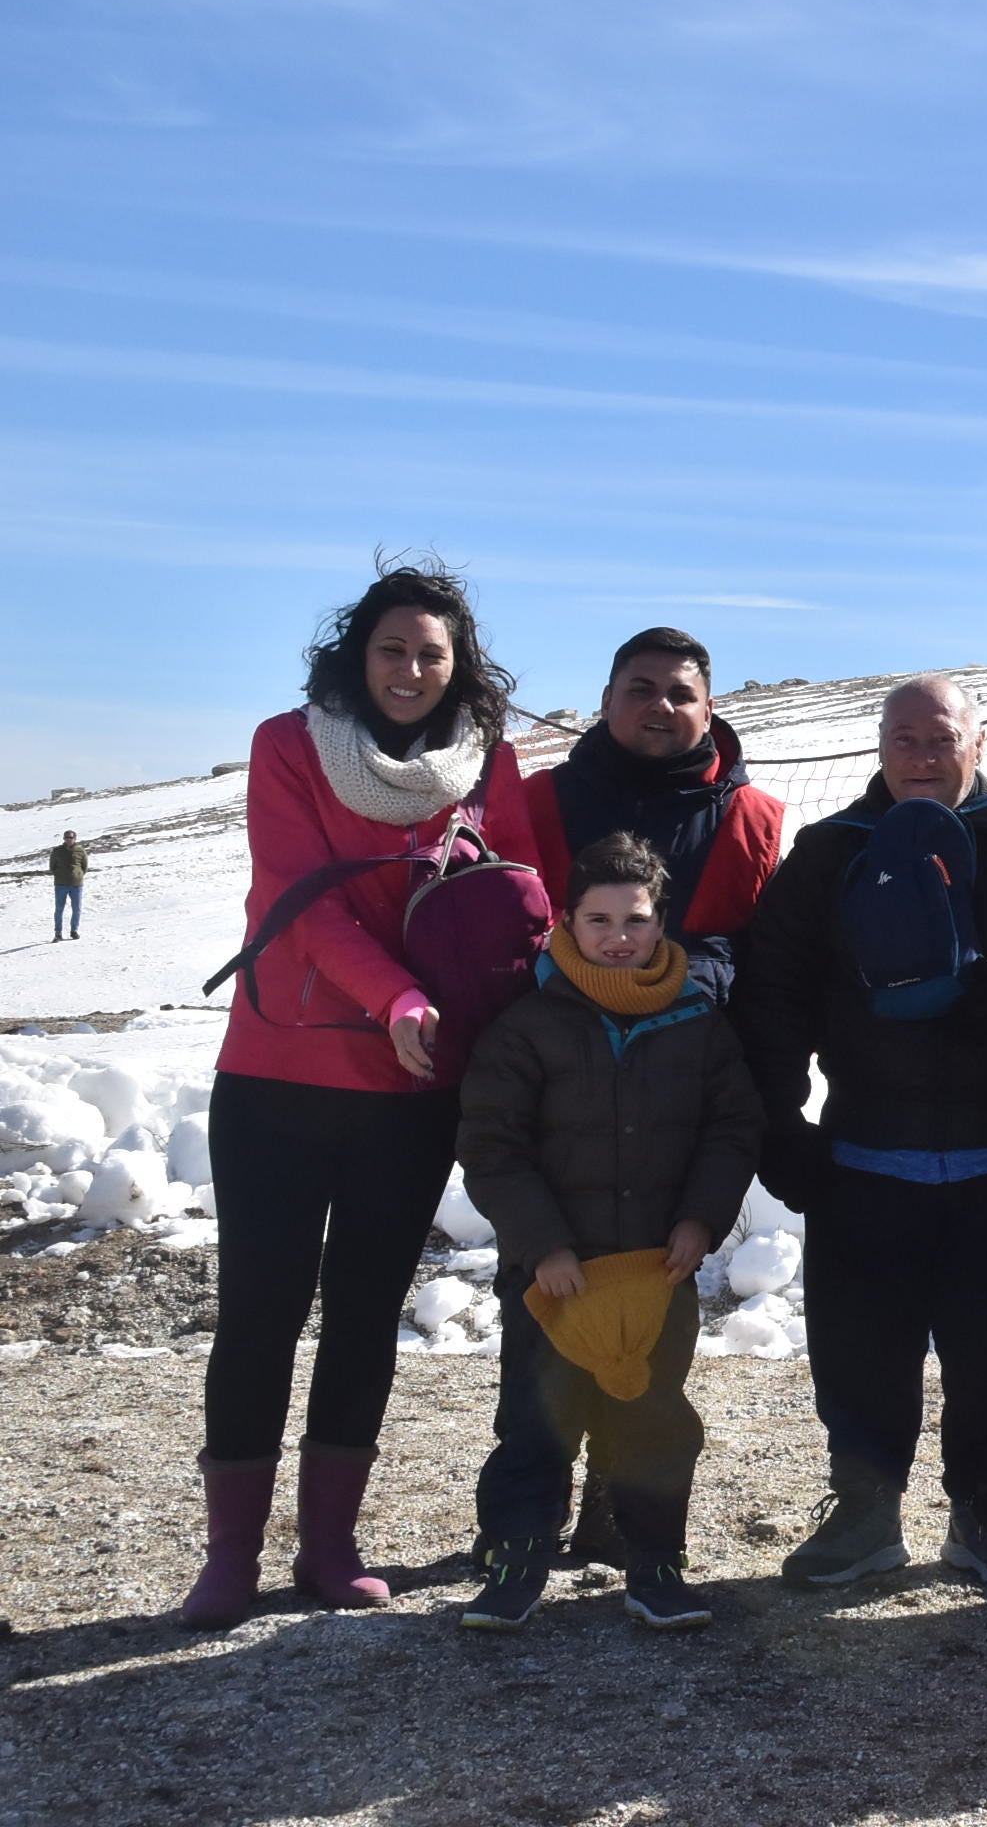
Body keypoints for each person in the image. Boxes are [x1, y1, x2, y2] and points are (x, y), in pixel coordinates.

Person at [181, 562, 541, 1630]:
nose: (412, 669)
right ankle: (230, 1553)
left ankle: (330, 1546)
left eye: (433, 653)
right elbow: (295, 905)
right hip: (278, 1070)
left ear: (458, 665)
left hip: (410, 1084)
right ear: (358, 652)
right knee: (259, 1309)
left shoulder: (489, 764)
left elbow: (518, 904)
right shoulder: (289, 745)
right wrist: (393, 994)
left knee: (364, 1315)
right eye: (394, 649)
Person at [732, 675, 987, 1596]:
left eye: (941, 738)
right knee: (860, 1354)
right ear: (879, 748)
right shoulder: (830, 851)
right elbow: (772, 995)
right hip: (865, 1159)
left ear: (978, 743)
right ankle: (864, 1513)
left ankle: (984, 1509)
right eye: (903, 739)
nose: (922, 756)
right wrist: (781, 1124)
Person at [455, 832, 762, 1633]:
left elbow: (731, 1129)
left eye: (635, 919)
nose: (618, 937)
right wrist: (541, 1244)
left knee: (652, 1419)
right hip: (552, 1275)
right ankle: (515, 1563)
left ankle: (654, 1566)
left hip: (659, 1270)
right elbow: (492, 1145)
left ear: (661, 922)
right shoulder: (529, 1023)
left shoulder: (699, 1020)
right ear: (568, 920)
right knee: (535, 1420)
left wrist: (700, 1220)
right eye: (598, 919)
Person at [522, 628, 784, 1005]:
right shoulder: (535, 802)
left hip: (707, 1055)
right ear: (607, 699)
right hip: (548, 1053)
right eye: (642, 690)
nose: (662, 705)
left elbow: (778, 974)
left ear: (708, 713)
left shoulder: (753, 822)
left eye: (681, 696)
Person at [48, 830, 86, 940]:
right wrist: (60, 875)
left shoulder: (80, 851)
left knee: (76, 908)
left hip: (76, 884)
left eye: (71, 837)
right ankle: (58, 933)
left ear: (75, 839)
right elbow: (52, 867)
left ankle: (74, 930)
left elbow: (84, 866)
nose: (69, 839)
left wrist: (78, 875)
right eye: (67, 837)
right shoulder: (57, 851)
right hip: (61, 884)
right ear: (64, 839)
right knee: (59, 909)